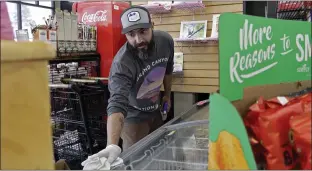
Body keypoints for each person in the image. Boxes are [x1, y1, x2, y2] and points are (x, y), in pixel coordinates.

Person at [87, 6, 174, 164]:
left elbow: (168, 69)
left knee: (161, 153)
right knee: (135, 162)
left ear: (152, 26)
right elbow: (116, 104)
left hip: (155, 111)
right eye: (131, 34)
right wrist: (112, 145)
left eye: (143, 31)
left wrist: (167, 94)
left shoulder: (166, 41)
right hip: (133, 118)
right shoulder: (122, 64)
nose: (138, 40)